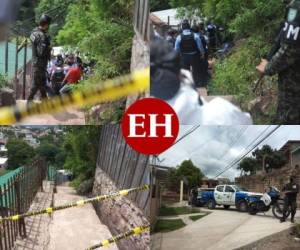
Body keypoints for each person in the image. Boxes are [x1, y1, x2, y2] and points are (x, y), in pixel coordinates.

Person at [151, 39, 252, 125]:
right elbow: (247, 122)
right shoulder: (221, 111)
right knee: (197, 71)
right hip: (194, 55)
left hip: (185, 56)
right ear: (181, 73)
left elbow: (177, 47)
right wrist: (202, 53)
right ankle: (200, 83)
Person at [256, 0, 300, 124]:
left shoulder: (296, 7)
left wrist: (267, 68)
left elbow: (289, 50)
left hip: (294, 80)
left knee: (290, 117)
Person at [28, 14, 52, 102]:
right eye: (48, 24)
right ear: (46, 24)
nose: (48, 26)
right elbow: (41, 52)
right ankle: (29, 101)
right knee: (36, 84)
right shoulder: (42, 36)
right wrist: (48, 48)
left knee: (42, 83)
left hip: (36, 63)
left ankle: (45, 100)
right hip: (40, 64)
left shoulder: (34, 33)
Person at [175, 20, 205, 88]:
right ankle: (197, 84)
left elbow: (176, 49)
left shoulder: (179, 37)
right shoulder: (195, 35)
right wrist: (202, 54)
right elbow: (200, 46)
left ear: (182, 28)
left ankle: (187, 85)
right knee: (196, 70)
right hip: (194, 56)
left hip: (184, 57)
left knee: (185, 71)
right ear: (189, 27)